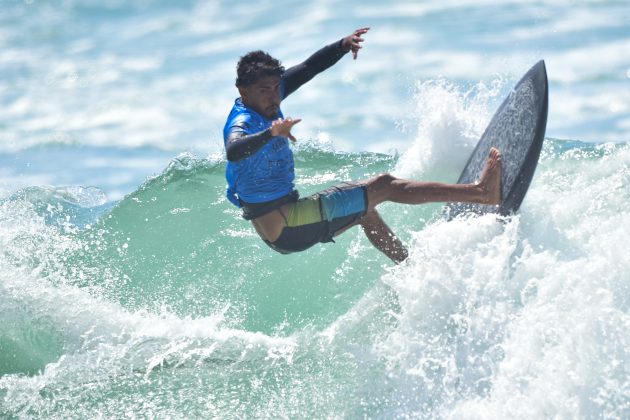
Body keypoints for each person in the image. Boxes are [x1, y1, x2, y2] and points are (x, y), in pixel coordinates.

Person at [223, 28, 502, 263]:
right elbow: (234, 150)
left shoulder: (269, 97)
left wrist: (342, 46)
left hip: (286, 221)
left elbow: (309, 67)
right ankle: (481, 192)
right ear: (243, 91)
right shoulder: (243, 122)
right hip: (286, 225)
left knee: (365, 211)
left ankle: (409, 267)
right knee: (385, 185)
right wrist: (271, 134)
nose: (274, 97)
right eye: (265, 91)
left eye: (276, 88)